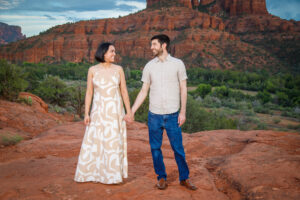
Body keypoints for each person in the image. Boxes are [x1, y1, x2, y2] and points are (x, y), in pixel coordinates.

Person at [131, 34, 197, 190]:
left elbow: (183, 89)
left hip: (173, 114)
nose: (151, 47)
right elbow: (143, 91)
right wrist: (132, 111)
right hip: (154, 115)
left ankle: (184, 178)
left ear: (164, 45)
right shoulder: (149, 66)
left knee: (178, 149)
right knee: (155, 149)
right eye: (151, 44)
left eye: (154, 44)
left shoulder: (178, 64)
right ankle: (161, 177)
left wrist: (183, 112)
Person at [74, 42, 133, 184]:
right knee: (96, 141)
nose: (114, 54)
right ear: (103, 53)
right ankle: (92, 174)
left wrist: (129, 112)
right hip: (98, 111)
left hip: (115, 111)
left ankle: (112, 176)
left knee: (113, 142)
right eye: (112, 51)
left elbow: (124, 91)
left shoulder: (119, 69)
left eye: (114, 51)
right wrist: (86, 113)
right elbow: (89, 92)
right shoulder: (92, 70)